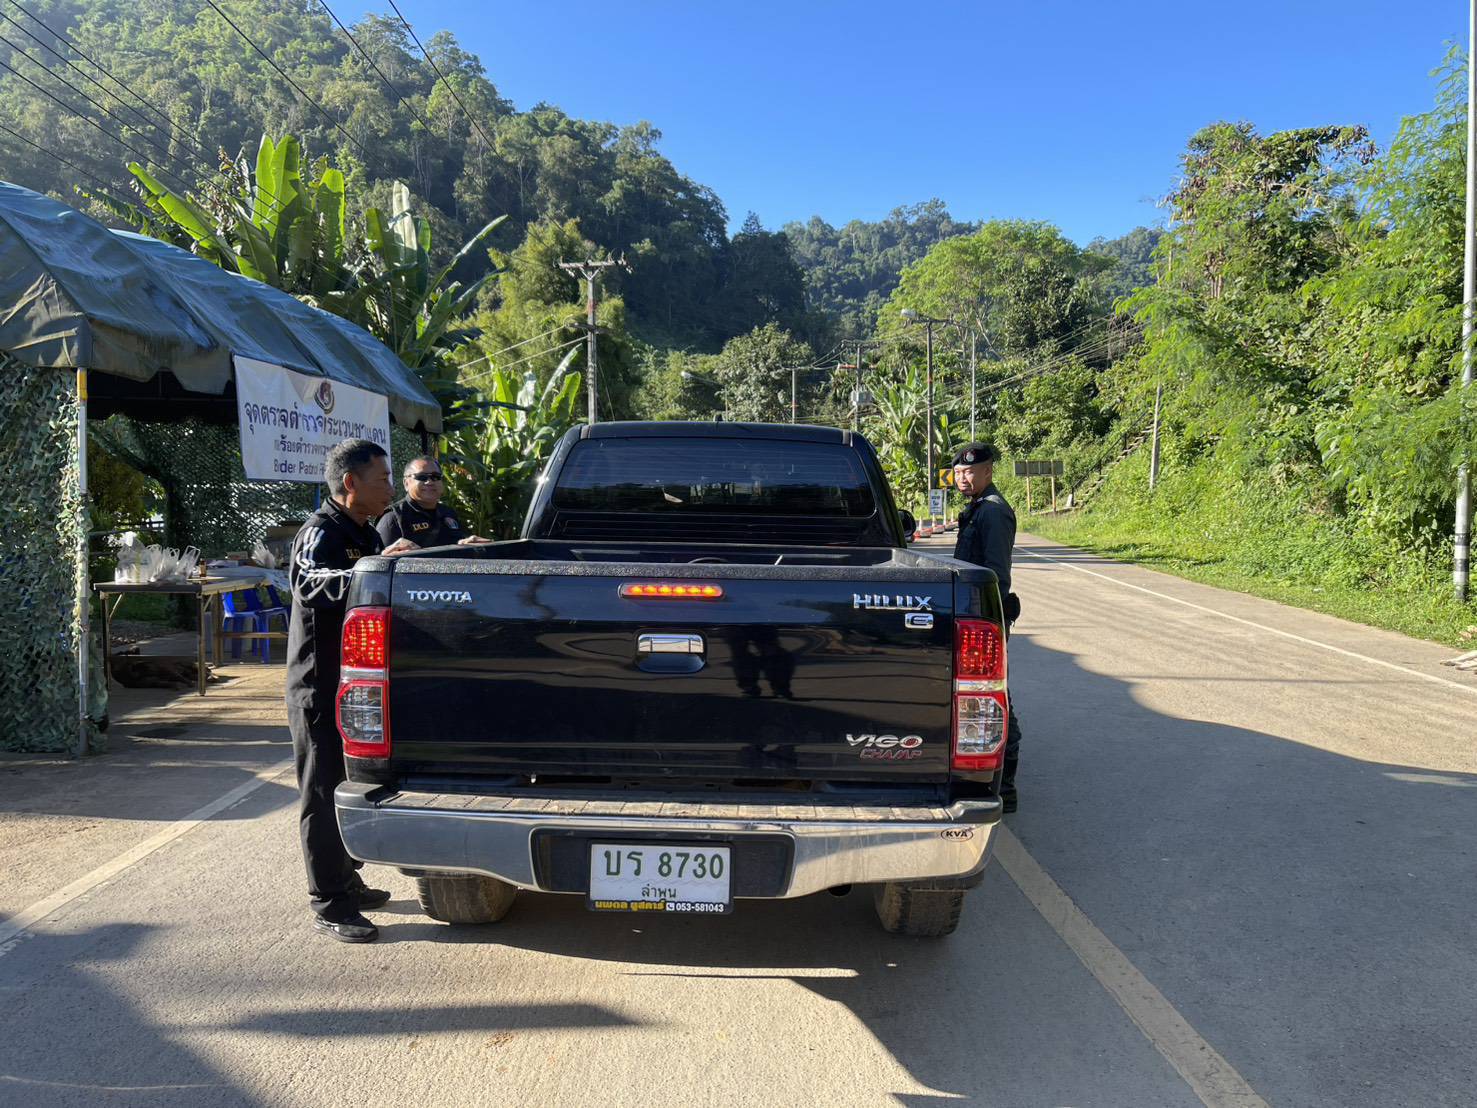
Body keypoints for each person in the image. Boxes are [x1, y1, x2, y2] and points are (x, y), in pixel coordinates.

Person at [287, 439, 417, 943]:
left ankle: (348, 881)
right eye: (383, 478)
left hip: (355, 687)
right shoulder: (319, 531)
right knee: (321, 794)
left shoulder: (362, 531)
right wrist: (372, 570)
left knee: (347, 785)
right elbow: (309, 584)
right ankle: (330, 902)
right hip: (317, 687)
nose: (391, 487)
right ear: (350, 483)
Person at [950, 442, 1023, 813]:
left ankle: (1005, 787)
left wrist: (985, 622)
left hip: (983, 619)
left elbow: (995, 574)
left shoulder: (993, 512)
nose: (963, 478)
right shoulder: (978, 508)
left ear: (988, 472)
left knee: (994, 700)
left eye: (970, 472)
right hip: (972, 616)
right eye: (958, 473)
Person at [377, 456, 489, 549]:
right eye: (422, 477)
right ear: (406, 483)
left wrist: (467, 545)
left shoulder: (448, 513)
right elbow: (380, 563)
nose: (429, 482)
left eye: (435, 477)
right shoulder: (393, 519)